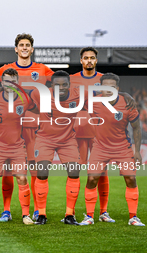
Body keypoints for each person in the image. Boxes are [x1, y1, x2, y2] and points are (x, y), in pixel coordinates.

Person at [0, 33, 54, 222]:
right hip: (10, 130)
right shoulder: (6, 69)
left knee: (34, 171)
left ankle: (37, 210)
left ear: (32, 49)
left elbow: (59, 86)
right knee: (7, 171)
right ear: (16, 48)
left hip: (35, 129)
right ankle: (6, 210)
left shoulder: (43, 69)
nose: (25, 48)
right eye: (21, 45)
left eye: (28, 45)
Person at [71, 47, 135, 222]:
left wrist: (124, 94)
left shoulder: (103, 79)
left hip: (100, 133)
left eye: (92, 58)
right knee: (74, 171)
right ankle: (70, 213)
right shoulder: (72, 80)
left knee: (101, 173)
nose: (89, 61)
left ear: (96, 61)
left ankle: (103, 212)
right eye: (86, 58)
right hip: (78, 131)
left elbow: (113, 93)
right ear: (81, 60)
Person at [79, 73, 145, 226]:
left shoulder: (127, 103)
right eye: (105, 87)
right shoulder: (93, 102)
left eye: (112, 87)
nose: (108, 90)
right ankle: (89, 216)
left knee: (131, 179)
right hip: (100, 147)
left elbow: (137, 127)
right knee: (92, 179)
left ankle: (133, 217)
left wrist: (137, 151)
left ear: (117, 88)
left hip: (123, 147)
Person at [0, 68, 36, 225]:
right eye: (6, 81)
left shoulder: (25, 98)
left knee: (22, 178)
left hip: (18, 146)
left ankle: (26, 215)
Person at [33, 71, 84, 225]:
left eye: (64, 85)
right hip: (44, 139)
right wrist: (0, 90)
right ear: (51, 86)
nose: (61, 88)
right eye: (57, 85)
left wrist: (122, 94)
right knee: (42, 172)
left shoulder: (79, 94)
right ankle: (41, 214)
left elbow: (101, 93)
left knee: (74, 171)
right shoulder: (41, 94)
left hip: (68, 140)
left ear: (70, 85)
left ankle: (69, 215)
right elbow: (20, 91)